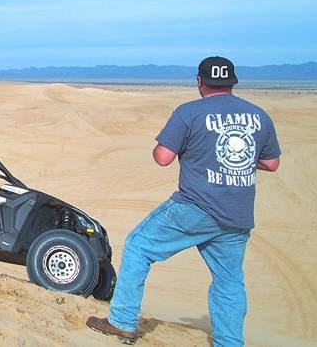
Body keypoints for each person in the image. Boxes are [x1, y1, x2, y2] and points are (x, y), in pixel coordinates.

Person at [87, 56, 281, 346]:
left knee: (139, 245)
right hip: (237, 214)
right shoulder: (258, 115)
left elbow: (163, 157)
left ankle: (122, 321)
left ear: (200, 81)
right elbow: (272, 163)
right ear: (232, 83)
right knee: (229, 281)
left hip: (195, 206)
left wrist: (186, 151)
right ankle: (230, 343)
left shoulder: (189, 112)